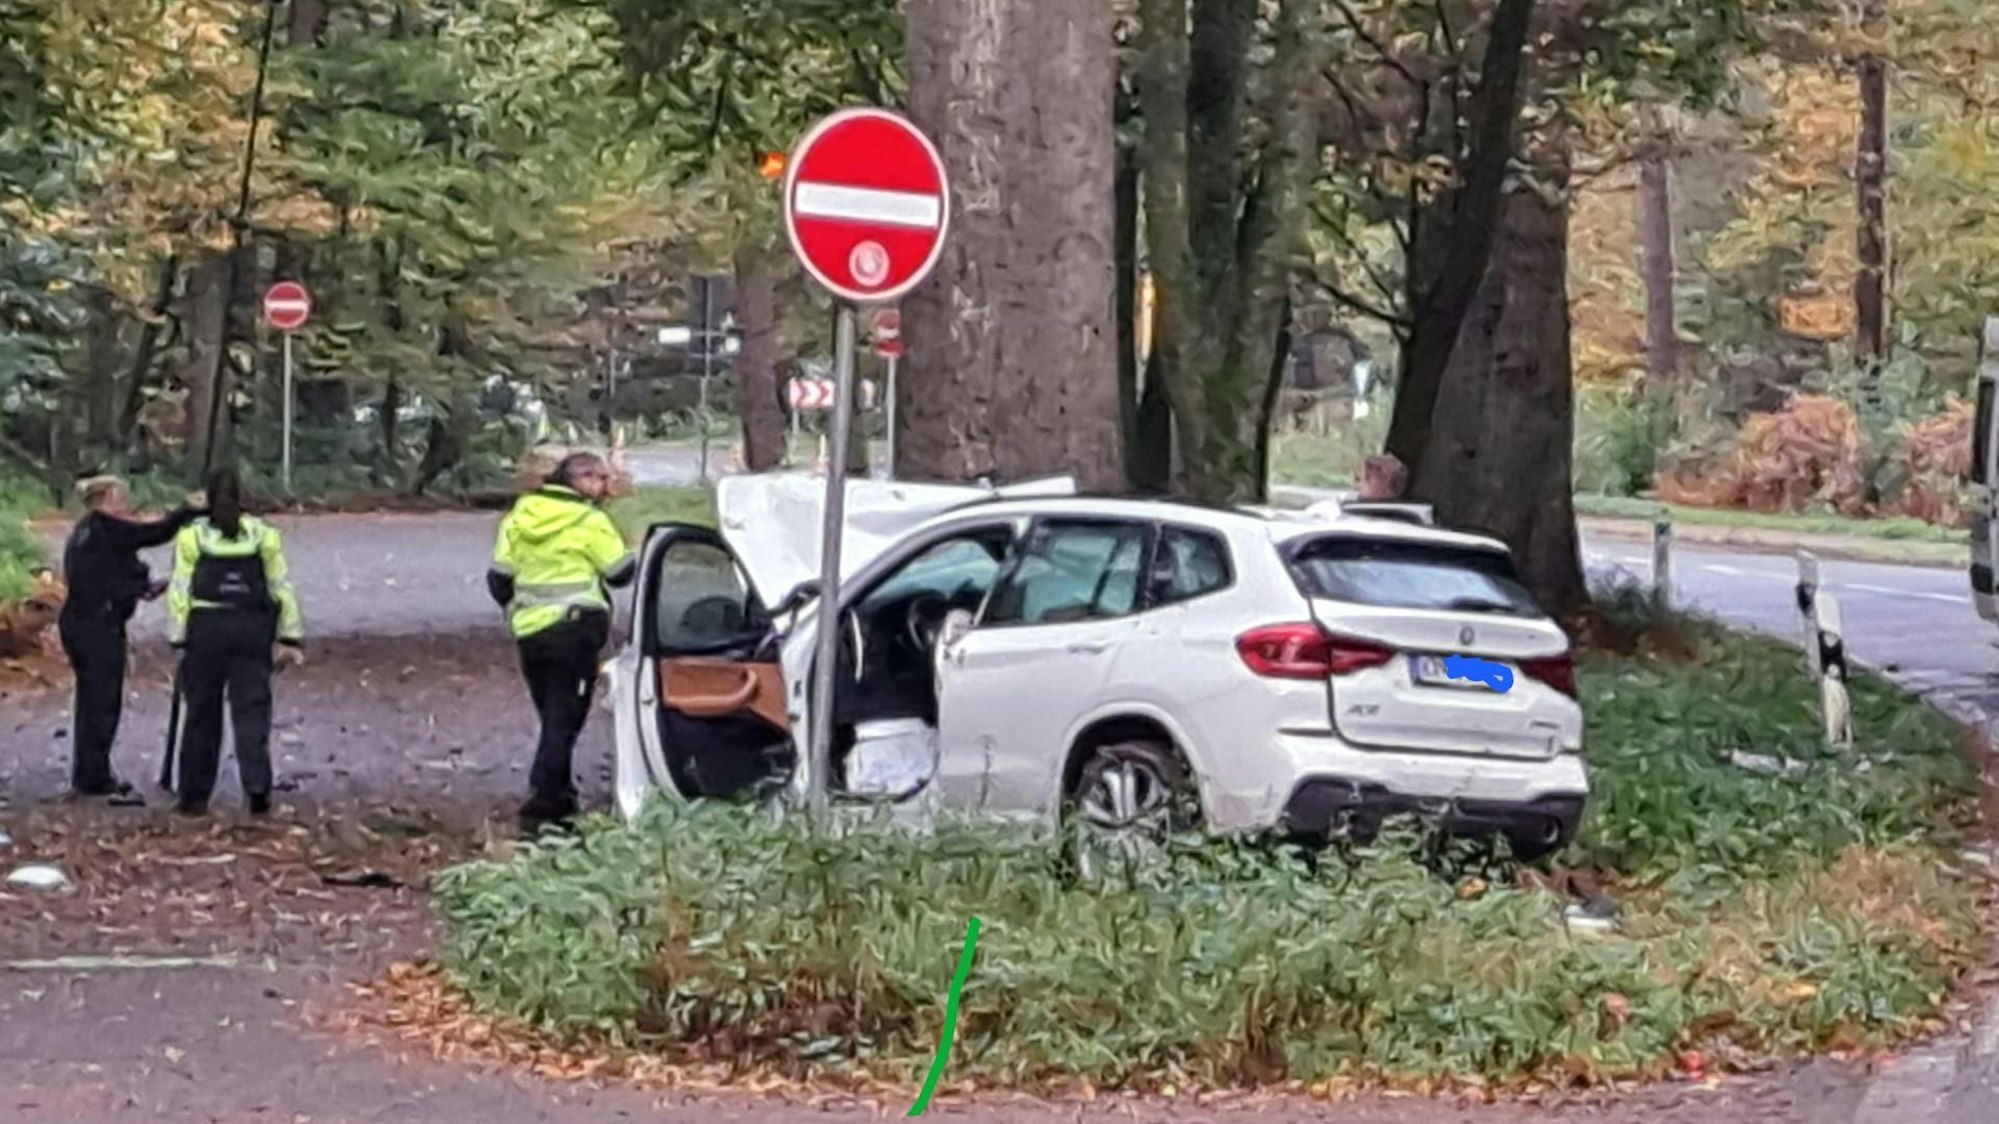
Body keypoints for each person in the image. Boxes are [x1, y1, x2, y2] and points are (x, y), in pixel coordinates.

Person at [488, 451, 636, 833]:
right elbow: (620, 573)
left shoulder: (519, 516)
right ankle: (544, 803)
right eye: (601, 479)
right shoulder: (590, 521)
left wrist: (518, 608)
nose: (606, 487)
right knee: (565, 719)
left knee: (552, 714)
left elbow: (499, 579)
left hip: (531, 633)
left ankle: (560, 792)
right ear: (582, 480)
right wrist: (629, 545)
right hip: (576, 630)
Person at [165, 467, 305, 816]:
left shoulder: (192, 538)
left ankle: (194, 796)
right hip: (251, 629)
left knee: (201, 715)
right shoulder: (264, 536)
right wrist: (290, 636)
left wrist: (178, 638)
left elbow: (180, 591)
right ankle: (257, 788)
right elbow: (280, 587)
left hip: (206, 630)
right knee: (251, 712)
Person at [57, 475, 204, 802]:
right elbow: (155, 533)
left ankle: (91, 771)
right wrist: (187, 511)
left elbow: (108, 573)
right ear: (107, 498)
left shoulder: (90, 532)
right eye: (122, 497)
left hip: (84, 623)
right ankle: (93, 776)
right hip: (96, 627)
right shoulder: (107, 529)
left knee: (93, 700)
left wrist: (140, 588)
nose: (129, 504)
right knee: (102, 702)